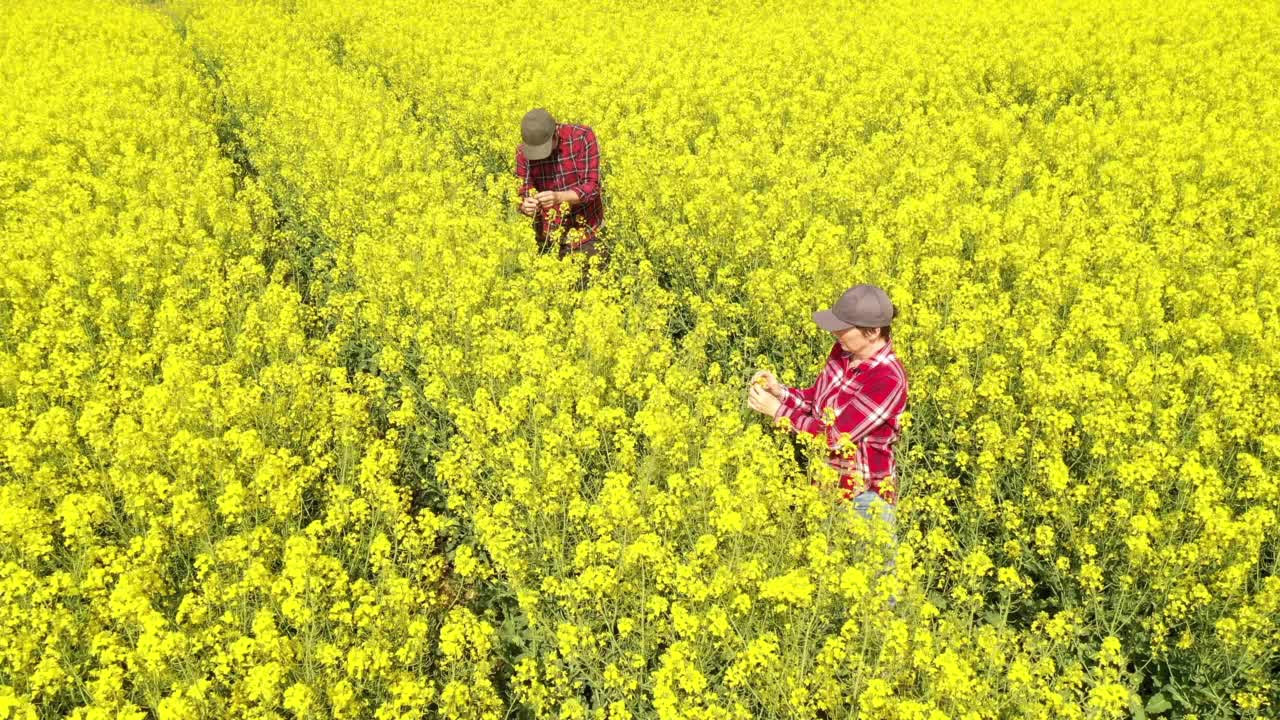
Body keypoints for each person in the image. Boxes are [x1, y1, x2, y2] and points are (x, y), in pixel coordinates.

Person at [747, 284, 908, 524]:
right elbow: (820, 404)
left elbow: (834, 435)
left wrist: (776, 411)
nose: (835, 332)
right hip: (825, 487)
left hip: (864, 499)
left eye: (843, 328)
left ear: (873, 332)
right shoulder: (842, 352)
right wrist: (779, 392)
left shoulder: (887, 379)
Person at [515, 108, 606, 269]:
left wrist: (559, 197)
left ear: (555, 134)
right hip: (547, 236)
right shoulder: (523, 153)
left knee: (590, 287)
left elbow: (592, 186)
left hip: (586, 233)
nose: (540, 156)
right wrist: (525, 205)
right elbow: (523, 191)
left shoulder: (582, 137)